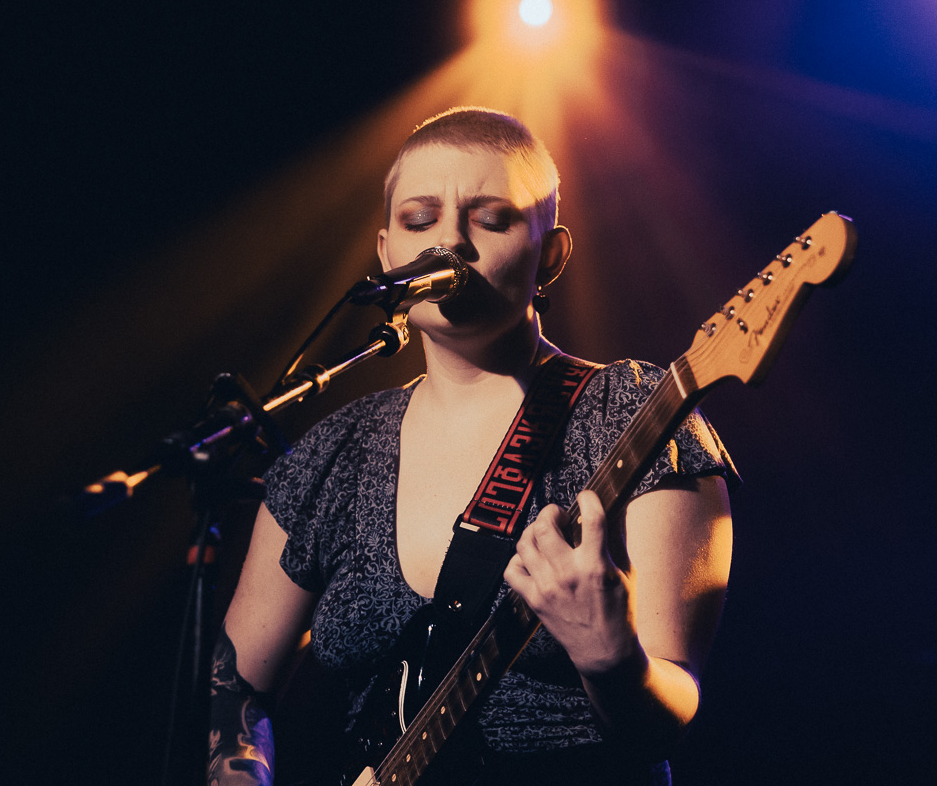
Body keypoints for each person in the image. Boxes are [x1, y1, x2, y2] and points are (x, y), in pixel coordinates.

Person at [208, 107, 735, 786]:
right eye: (419, 220)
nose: (449, 241)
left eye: (491, 219)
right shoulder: (333, 456)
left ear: (551, 255)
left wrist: (612, 661)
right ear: (386, 256)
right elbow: (236, 688)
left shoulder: (632, 413)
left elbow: (670, 712)